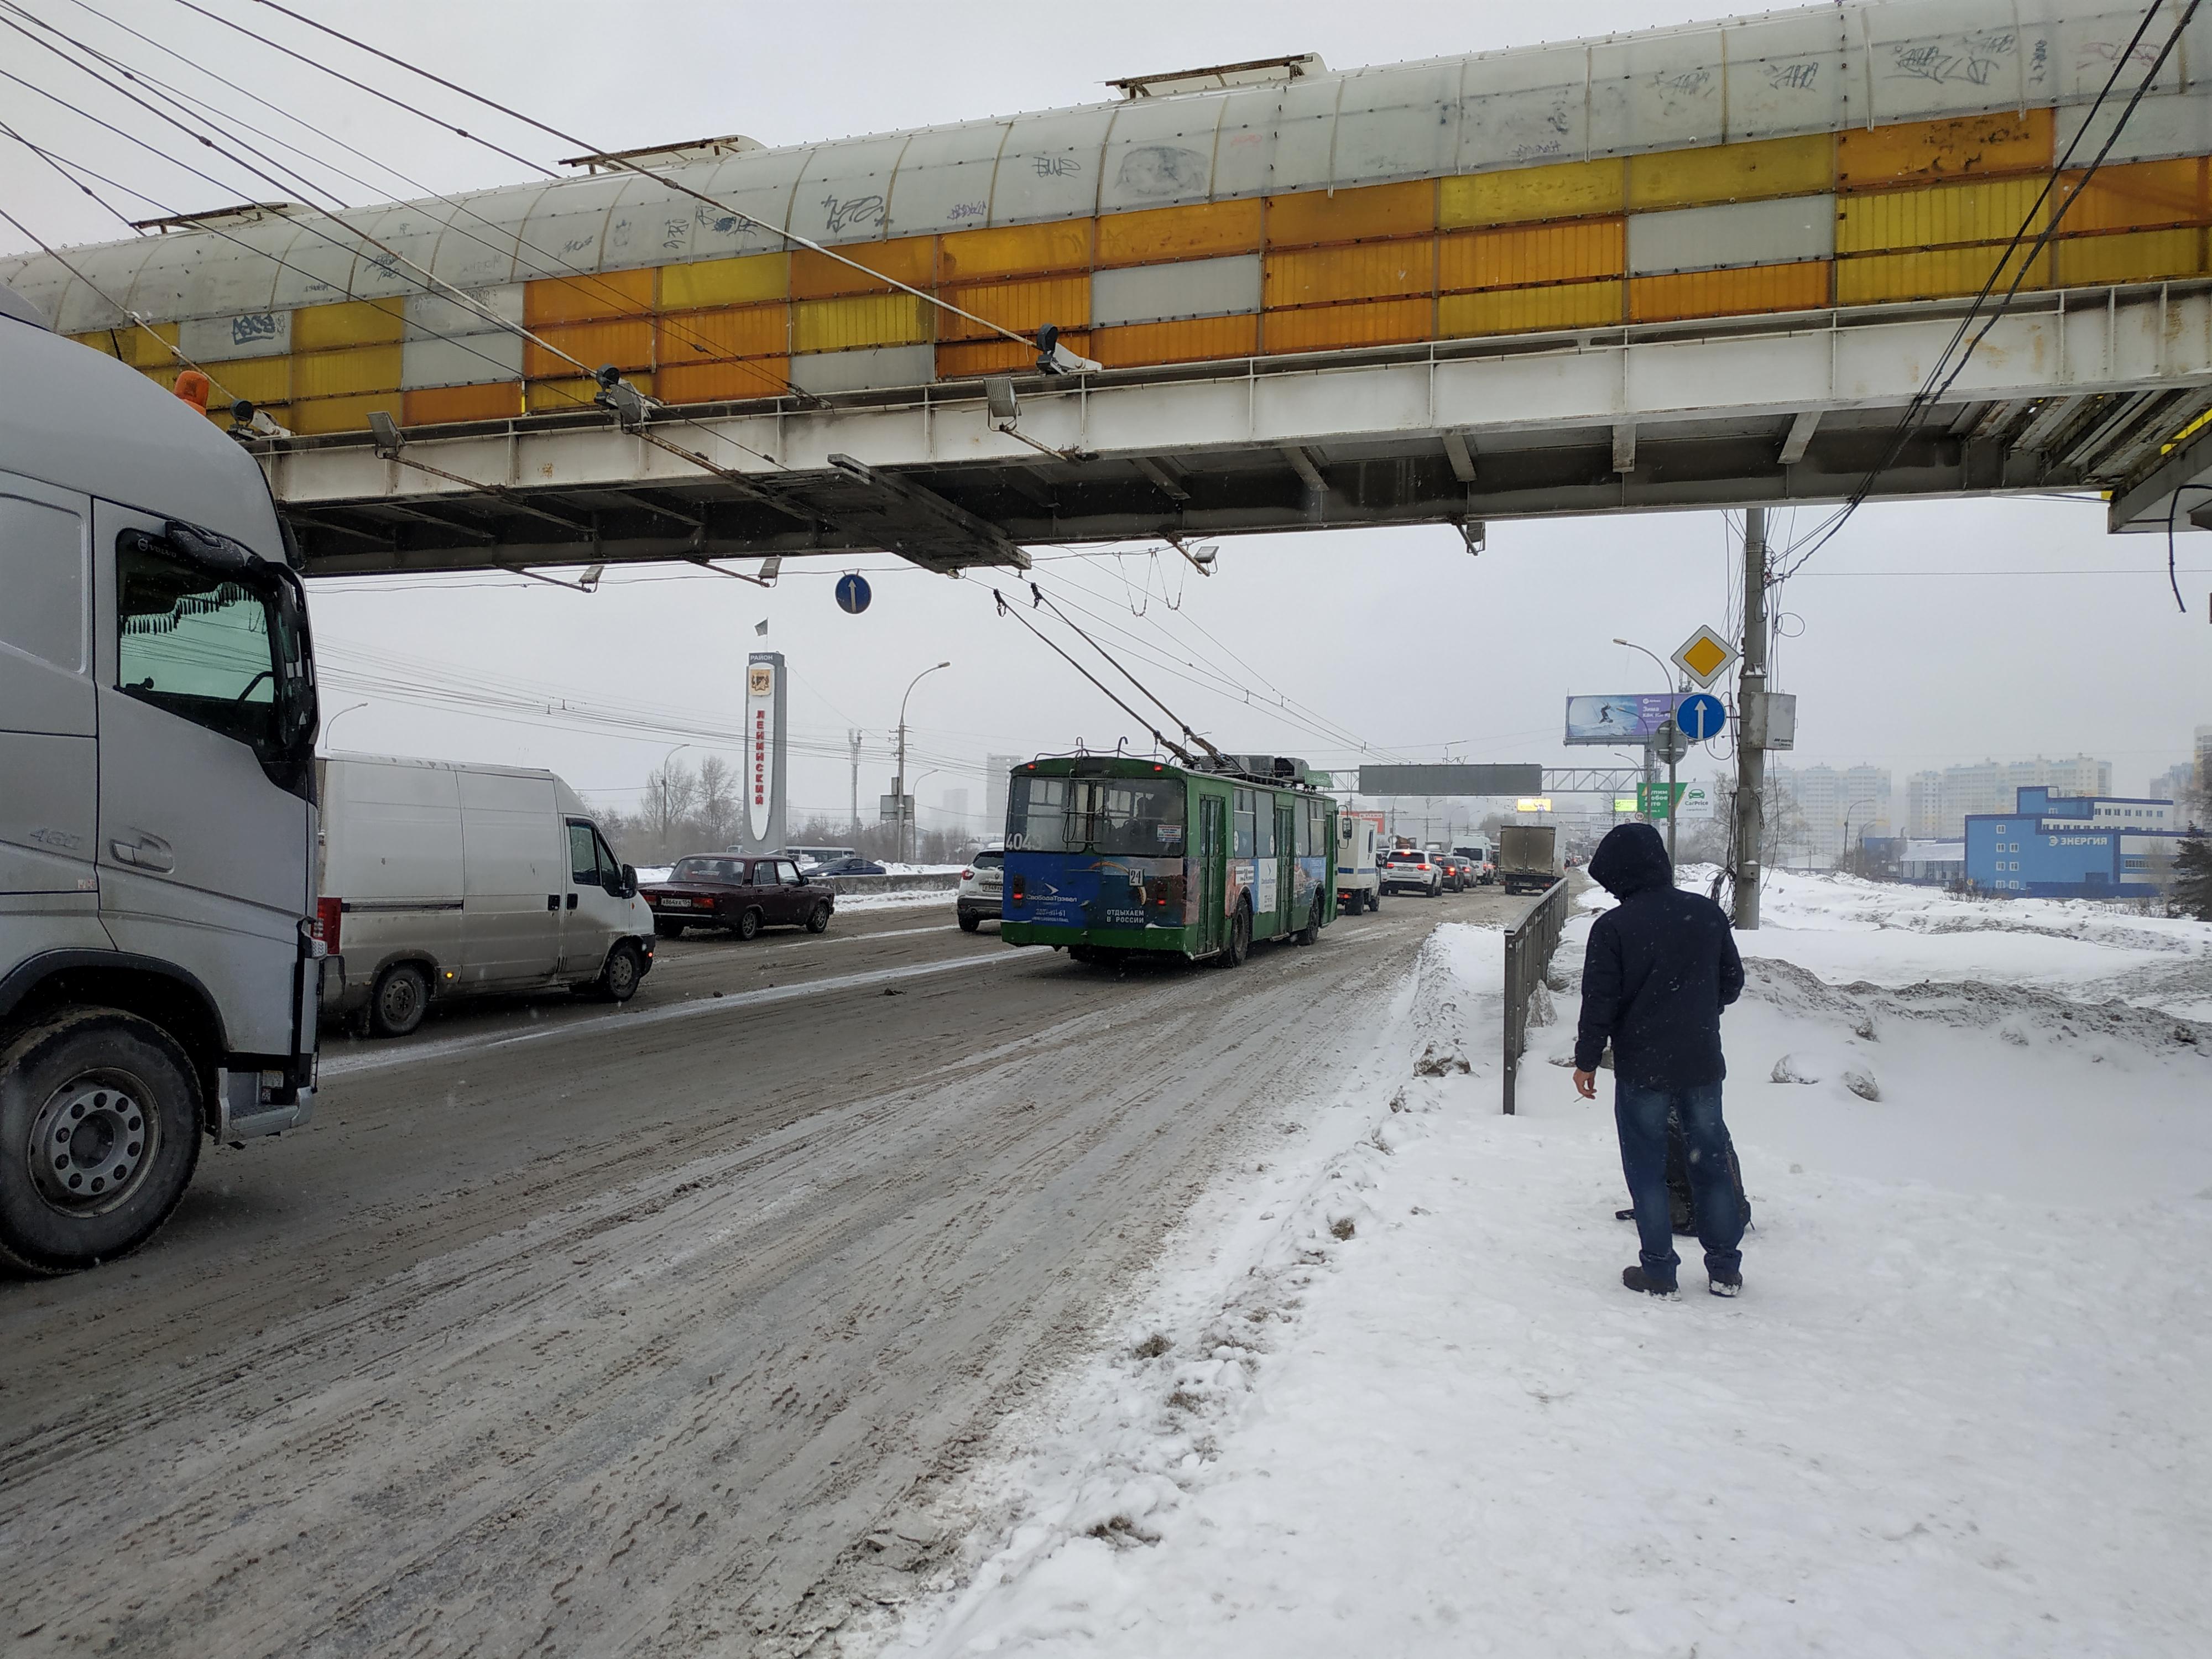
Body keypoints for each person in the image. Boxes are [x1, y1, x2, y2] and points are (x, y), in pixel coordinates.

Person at [1571, 822, 1747, 1300]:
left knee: (1645, 1166)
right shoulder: (1706, 915)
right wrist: (1696, 1011)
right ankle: (1726, 1269)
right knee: (1710, 1161)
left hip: (1642, 1066)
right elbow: (1732, 981)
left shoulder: (1614, 928)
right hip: (1702, 1062)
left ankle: (1659, 1271)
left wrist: (1586, 1060)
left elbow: (1599, 1002)